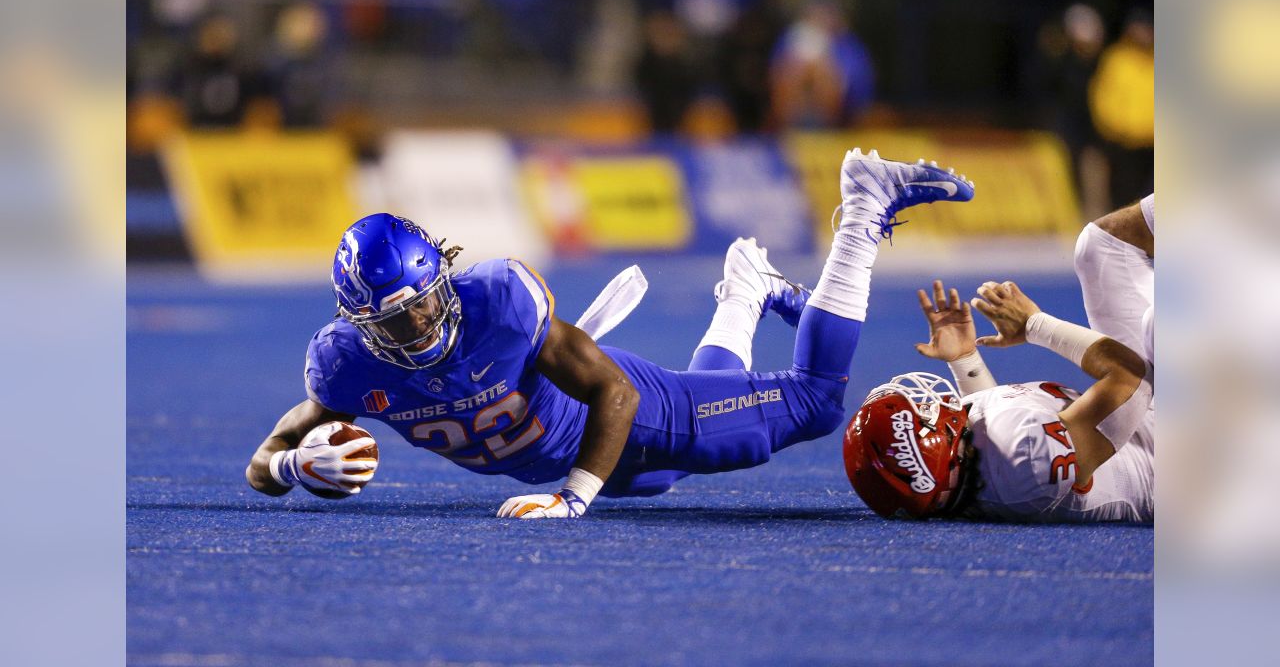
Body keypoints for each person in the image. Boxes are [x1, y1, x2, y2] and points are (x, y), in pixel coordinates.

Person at [245, 150, 974, 518]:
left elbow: (615, 393)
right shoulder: (344, 365)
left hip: (621, 420)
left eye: (430, 300)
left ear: (444, 277)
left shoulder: (497, 301)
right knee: (680, 465)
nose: (425, 322)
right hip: (593, 458)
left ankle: (863, 207)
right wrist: (290, 470)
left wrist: (572, 502)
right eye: (400, 318)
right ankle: (747, 287)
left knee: (814, 404)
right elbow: (267, 456)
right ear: (361, 322)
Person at [844, 196, 1155, 522]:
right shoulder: (1028, 464)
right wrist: (1036, 325)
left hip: (1150, 423)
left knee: (1102, 246)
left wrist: (965, 360)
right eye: (923, 414)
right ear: (925, 452)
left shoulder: (978, 473)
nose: (929, 404)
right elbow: (1132, 375)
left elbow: (988, 439)